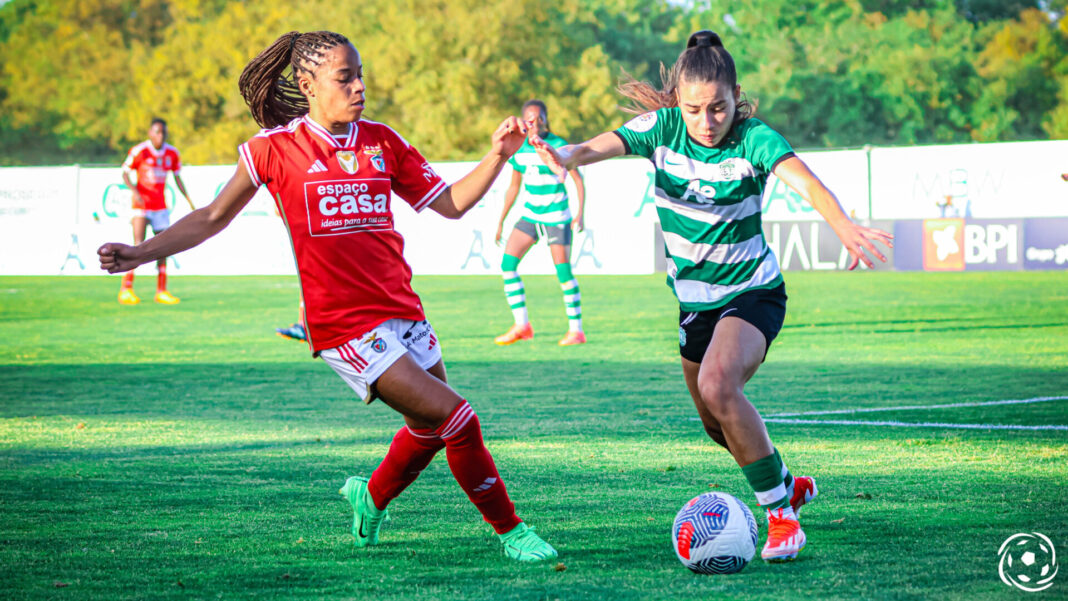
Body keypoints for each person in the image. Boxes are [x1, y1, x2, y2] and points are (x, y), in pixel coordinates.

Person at [98, 30, 557, 562]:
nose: (359, 86)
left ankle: (370, 497)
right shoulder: (272, 151)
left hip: (401, 309)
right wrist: (138, 253)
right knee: (458, 419)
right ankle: (512, 532)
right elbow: (211, 217)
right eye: (346, 77)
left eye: (361, 75)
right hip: (345, 326)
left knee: (429, 430)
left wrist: (497, 156)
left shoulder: (382, 140)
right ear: (308, 84)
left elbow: (450, 204)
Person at [530, 30, 893, 563]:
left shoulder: (754, 138)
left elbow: (809, 184)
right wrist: (565, 156)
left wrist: (841, 223)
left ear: (734, 95)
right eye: (695, 109)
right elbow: (593, 147)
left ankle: (780, 518)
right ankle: (785, 483)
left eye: (718, 108)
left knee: (719, 385)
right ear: (678, 100)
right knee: (712, 420)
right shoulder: (662, 127)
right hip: (694, 304)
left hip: (752, 294)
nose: (706, 121)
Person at [493, 100, 587, 346]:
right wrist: (501, 220)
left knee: (563, 272)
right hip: (531, 215)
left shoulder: (557, 145)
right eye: (530, 118)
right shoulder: (520, 148)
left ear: (545, 119)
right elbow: (514, 187)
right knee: (507, 264)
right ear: (524, 121)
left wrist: (580, 213)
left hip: (557, 216)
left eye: (539, 117)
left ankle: (576, 330)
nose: (535, 122)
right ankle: (522, 325)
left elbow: (577, 179)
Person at [118, 118, 195, 305]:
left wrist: (189, 200)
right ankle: (126, 289)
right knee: (138, 244)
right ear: (150, 133)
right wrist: (135, 192)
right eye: (157, 132)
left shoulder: (172, 153)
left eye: (163, 133)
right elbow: (125, 172)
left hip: (160, 206)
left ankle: (161, 290)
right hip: (142, 205)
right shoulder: (140, 151)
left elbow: (177, 178)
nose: (160, 136)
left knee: (163, 248)